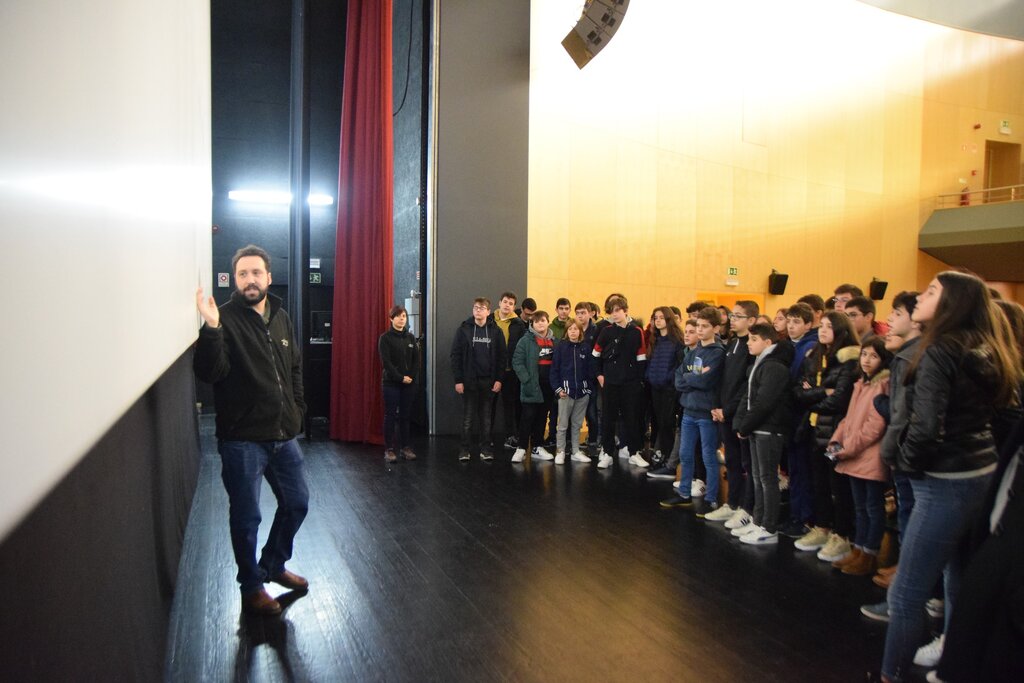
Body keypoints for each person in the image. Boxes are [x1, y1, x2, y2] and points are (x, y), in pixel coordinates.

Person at [877, 271, 1021, 683]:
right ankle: (955, 665)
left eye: (931, 292)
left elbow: (925, 428)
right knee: (957, 580)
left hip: (944, 481)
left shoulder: (939, 349)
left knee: (906, 594)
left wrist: (904, 463)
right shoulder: (983, 345)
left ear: (951, 304)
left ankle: (891, 674)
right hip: (980, 472)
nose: (920, 298)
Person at [194, 244, 310, 616]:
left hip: (283, 435)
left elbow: (293, 368)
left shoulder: (281, 316)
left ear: (268, 277)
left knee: (297, 503)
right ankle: (251, 586)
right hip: (242, 440)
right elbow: (209, 373)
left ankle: (274, 564)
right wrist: (212, 329)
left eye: (256, 273)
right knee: (246, 518)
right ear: (234, 279)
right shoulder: (225, 319)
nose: (250, 280)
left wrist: (297, 410)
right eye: (242, 274)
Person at [793, 311, 861, 560]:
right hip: (814, 428)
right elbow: (799, 392)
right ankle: (822, 527)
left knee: (838, 486)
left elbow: (839, 400)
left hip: (836, 432)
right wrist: (822, 392)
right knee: (818, 482)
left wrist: (813, 395)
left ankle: (841, 535)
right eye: (820, 325)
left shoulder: (849, 361)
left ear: (841, 331)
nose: (822, 330)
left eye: (828, 326)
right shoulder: (815, 356)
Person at [829, 337, 892, 576]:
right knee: (859, 507)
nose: (866, 360)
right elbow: (849, 419)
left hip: (870, 456)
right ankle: (858, 549)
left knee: (872, 507)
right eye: (864, 354)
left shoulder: (883, 385)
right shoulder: (861, 384)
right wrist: (837, 441)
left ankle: (869, 553)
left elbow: (874, 427)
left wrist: (848, 448)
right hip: (854, 454)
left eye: (873, 356)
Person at [732, 322, 796, 544]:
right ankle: (758, 520)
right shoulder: (761, 363)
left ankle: (769, 527)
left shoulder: (774, 367)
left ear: (768, 342)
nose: (748, 343)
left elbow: (764, 402)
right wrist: (743, 424)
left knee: (767, 479)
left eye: (754, 339)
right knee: (758, 477)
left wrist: (745, 426)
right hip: (757, 428)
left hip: (769, 429)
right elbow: (750, 398)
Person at [706, 300, 758, 529]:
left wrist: (727, 410)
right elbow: (723, 379)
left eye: (738, 316)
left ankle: (747, 508)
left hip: (739, 414)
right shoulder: (733, 343)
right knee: (732, 461)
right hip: (723, 412)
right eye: (732, 316)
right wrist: (717, 407)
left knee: (745, 463)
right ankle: (732, 503)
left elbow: (746, 386)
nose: (732, 320)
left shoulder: (752, 347)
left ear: (751, 320)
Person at [673, 306, 727, 517]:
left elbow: (706, 381)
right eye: (698, 326)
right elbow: (679, 378)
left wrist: (692, 378)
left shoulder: (718, 353)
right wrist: (693, 378)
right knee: (685, 454)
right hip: (689, 410)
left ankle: (711, 498)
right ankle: (684, 492)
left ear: (716, 328)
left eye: (705, 326)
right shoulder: (693, 352)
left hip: (706, 412)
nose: (700, 330)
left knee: (708, 457)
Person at [592, 296, 648, 469]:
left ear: (625, 311)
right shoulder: (606, 331)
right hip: (610, 382)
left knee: (632, 418)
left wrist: (638, 380)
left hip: (630, 383)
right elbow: (595, 355)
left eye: (617, 310)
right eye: (611, 311)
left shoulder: (636, 331)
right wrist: (599, 375)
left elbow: (641, 357)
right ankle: (607, 453)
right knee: (608, 419)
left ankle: (633, 452)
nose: (614, 314)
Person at [450, 297, 506, 462]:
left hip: (488, 381)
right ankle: (464, 449)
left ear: (488, 311)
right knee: (468, 418)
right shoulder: (464, 329)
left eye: (481, 308)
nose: (478, 310)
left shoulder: (496, 331)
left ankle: (485, 449)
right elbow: (455, 355)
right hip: (469, 381)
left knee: (486, 418)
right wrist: (458, 380)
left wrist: (499, 379)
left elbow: (502, 357)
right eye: (475, 307)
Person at [511, 310, 557, 462]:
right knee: (527, 417)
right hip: (531, 386)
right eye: (536, 321)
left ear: (548, 322)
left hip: (548, 387)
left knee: (542, 417)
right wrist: (526, 379)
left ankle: (537, 447)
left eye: (543, 320)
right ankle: (521, 448)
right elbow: (517, 362)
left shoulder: (555, 341)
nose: (540, 323)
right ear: (532, 324)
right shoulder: (525, 340)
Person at [645, 306, 687, 467]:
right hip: (655, 386)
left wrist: (670, 378)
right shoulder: (655, 340)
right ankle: (662, 453)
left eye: (661, 318)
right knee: (659, 423)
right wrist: (649, 376)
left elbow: (680, 365)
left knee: (667, 423)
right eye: (656, 318)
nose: (658, 321)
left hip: (669, 388)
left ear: (669, 319)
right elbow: (651, 361)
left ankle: (669, 459)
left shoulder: (677, 341)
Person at [378, 305, 420, 463]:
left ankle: (405, 448)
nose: (402, 319)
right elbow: (386, 363)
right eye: (399, 316)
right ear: (391, 319)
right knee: (390, 415)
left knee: (405, 416)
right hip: (391, 383)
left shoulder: (410, 338)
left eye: (404, 316)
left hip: (409, 383)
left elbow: (416, 360)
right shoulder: (385, 338)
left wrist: (410, 376)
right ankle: (389, 449)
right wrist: (400, 377)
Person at [551, 320, 596, 463]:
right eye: (570, 329)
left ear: (580, 332)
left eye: (576, 329)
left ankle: (575, 451)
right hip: (565, 393)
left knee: (577, 425)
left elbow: (591, 370)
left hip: (582, 394)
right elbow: (554, 370)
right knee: (563, 425)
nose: (573, 332)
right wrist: (558, 389)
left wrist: (588, 389)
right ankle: (560, 451)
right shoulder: (561, 347)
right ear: (566, 332)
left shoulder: (586, 347)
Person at [489, 291, 527, 450]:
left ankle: (510, 437)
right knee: (489, 405)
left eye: (511, 303)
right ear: (499, 303)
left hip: (510, 371)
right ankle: (487, 437)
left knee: (510, 405)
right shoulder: (489, 320)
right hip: (491, 371)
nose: (507, 305)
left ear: (514, 307)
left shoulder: (519, 324)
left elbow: (522, 348)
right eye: (505, 302)